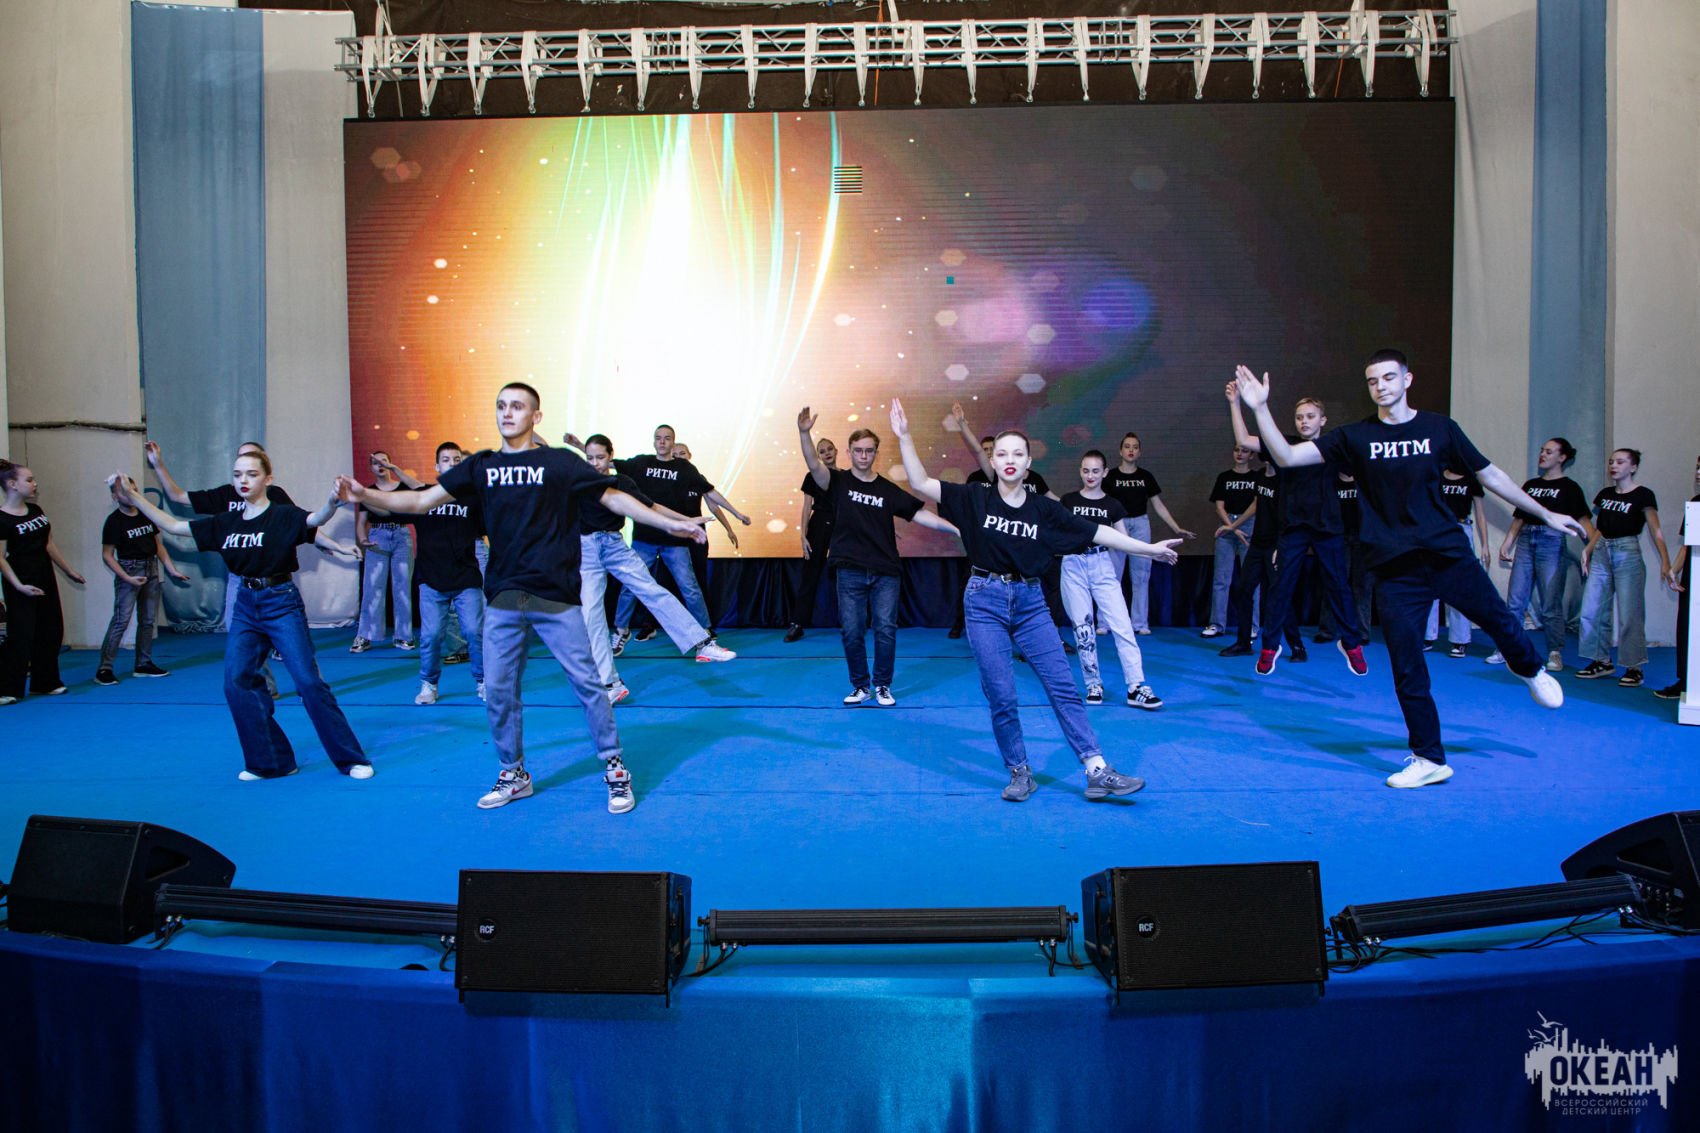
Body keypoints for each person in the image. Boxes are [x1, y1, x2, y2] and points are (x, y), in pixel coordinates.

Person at [337, 384, 709, 814]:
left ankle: (614, 768)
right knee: (498, 690)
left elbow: (613, 497)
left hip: (554, 596)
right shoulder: (483, 465)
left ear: (536, 416)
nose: (507, 413)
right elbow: (421, 499)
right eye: (501, 406)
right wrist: (366, 495)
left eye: (517, 406)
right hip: (503, 597)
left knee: (588, 685)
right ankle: (514, 774)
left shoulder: (558, 462)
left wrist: (670, 524)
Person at [1234, 352, 1580, 789]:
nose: (1380, 386)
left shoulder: (1440, 429)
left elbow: (1491, 476)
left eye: (1388, 377)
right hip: (1395, 569)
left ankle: (1530, 668)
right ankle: (1429, 758)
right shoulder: (1355, 437)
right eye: (1372, 380)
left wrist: (1545, 514)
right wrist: (1260, 407)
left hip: (1447, 555)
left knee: (1500, 620)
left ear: (1407, 380)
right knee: (1406, 666)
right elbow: (1285, 456)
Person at [890, 398, 1180, 802]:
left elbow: (1098, 532)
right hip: (984, 601)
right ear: (993, 461)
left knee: (1062, 686)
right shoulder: (974, 497)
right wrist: (904, 436)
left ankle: (1096, 769)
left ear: (1028, 463)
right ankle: (1020, 771)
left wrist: (1148, 549)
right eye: (1002, 454)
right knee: (1001, 693)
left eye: (1017, 454)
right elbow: (921, 483)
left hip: (1030, 603)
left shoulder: (1044, 509)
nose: (1009, 460)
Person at [111, 455, 372, 780]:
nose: (243, 480)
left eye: (251, 473)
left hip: (281, 602)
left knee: (307, 681)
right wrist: (133, 496)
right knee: (236, 682)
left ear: (267, 479)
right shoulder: (225, 522)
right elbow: (173, 525)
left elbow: (315, 519)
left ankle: (350, 759)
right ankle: (272, 762)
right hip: (246, 606)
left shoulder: (282, 515)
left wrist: (332, 500)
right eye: (237, 474)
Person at [800, 409, 957, 706]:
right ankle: (861, 686)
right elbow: (813, 463)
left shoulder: (887, 490)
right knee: (852, 631)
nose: (863, 455)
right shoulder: (837, 482)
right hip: (849, 570)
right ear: (849, 452)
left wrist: (958, 530)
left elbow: (921, 515)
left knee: (885, 630)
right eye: (858, 450)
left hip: (885, 572)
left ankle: (883, 685)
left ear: (876, 453)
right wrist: (804, 433)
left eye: (869, 450)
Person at [572, 433, 735, 705]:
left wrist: (686, 521)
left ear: (610, 457)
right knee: (590, 616)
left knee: (652, 590)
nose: (595, 463)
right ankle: (610, 684)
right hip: (586, 549)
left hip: (614, 546)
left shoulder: (622, 483)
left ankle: (703, 644)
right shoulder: (577, 482)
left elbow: (652, 507)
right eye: (590, 458)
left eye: (600, 457)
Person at [1229, 388, 1369, 677]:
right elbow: (1244, 440)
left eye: (1310, 416)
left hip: (1327, 528)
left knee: (1338, 585)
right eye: (1299, 417)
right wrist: (1234, 403)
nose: (1304, 421)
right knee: (1281, 587)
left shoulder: (1333, 447)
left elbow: (1357, 469)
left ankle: (1351, 644)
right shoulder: (1285, 446)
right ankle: (1270, 646)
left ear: (1322, 420)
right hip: (1293, 528)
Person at [610, 425, 748, 652]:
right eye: (658, 438)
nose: (662, 442)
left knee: (690, 587)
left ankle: (705, 631)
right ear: (654, 441)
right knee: (630, 585)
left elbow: (710, 492)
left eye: (667, 438)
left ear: (673, 442)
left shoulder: (684, 468)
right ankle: (621, 630)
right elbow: (607, 463)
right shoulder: (641, 463)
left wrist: (736, 514)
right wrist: (579, 447)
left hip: (675, 541)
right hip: (644, 538)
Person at [1059, 450, 1163, 709]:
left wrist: (1153, 551)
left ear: (1105, 472)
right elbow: (1056, 532)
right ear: (1080, 471)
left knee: (1122, 625)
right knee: (1083, 629)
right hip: (1073, 565)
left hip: (1102, 564)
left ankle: (1136, 686)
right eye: (1086, 470)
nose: (1090, 475)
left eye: (1096, 471)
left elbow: (1124, 540)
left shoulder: (1113, 505)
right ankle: (1093, 684)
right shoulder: (1068, 501)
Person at [1490, 437, 1594, 671]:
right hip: (1526, 540)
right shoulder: (1531, 485)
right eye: (1542, 450)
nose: (1543, 454)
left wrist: (1592, 547)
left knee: (1550, 603)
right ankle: (1508, 649)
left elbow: (1584, 522)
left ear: (1562, 457)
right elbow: (1520, 517)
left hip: (1551, 542)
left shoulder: (1570, 488)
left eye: (1549, 451)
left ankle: (1555, 652)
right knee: (1515, 600)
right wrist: (1508, 542)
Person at [1576, 448, 1672, 687]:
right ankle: (1601, 660)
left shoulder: (1643, 495)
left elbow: (1655, 529)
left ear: (1633, 467)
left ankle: (1634, 666)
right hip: (1602, 552)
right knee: (1592, 609)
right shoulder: (1605, 494)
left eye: (1620, 462)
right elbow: (1601, 527)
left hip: (1627, 552)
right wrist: (1588, 550)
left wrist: (1666, 561)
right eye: (1611, 462)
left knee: (1630, 613)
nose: (1614, 466)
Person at [0, 461, 86, 704]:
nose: (35, 484)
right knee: (21, 635)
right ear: (12, 484)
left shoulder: (36, 510)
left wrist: (69, 570)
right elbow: (1, 558)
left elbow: (48, 544)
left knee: (50, 630)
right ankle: (8, 688)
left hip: (44, 577)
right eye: (29, 480)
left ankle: (45, 682)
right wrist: (18, 586)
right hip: (20, 581)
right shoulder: (2, 519)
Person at [409, 442, 486, 706]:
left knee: (474, 632)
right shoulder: (424, 496)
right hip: (431, 581)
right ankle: (429, 684)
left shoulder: (474, 500)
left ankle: (483, 681)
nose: (451, 464)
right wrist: (362, 496)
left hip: (466, 579)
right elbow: (388, 506)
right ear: (437, 466)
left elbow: (496, 523)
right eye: (446, 460)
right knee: (430, 636)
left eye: (456, 460)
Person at [94, 479, 190, 686]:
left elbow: (158, 546)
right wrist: (126, 577)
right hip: (129, 570)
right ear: (115, 496)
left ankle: (143, 664)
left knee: (147, 620)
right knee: (121, 620)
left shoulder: (146, 515)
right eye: (123, 491)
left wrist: (171, 569)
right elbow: (107, 555)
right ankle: (104, 668)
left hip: (150, 569)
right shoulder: (114, 521)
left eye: (133, 489)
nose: (130, 494)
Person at [1216, 451, 1304, 661]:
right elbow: (1255, 505)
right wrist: (1232, 527)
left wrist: (1281, 546)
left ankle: (1297, 646)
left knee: (1279, 595)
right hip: (1257, 544)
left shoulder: (1285, 480)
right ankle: (1243, 642)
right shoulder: (1260, 477)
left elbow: (1291, 515)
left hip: (1276, 546)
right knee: (1244, 591)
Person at [1103, 432, 1194, 634]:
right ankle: (1105, 622)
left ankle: (1140, 623)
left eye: (1135, 447)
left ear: (1140, 452)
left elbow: (1158, 505)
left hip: (1141, 524)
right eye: (1127, 446)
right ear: (1120, 451)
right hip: (1117, 525)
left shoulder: (1145, 477)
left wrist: (1176, 528)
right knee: (1111, 576)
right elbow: (1102, 503)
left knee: (1141, 575)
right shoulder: (1110, 477)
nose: (1131, 450)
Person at [350, 451, 422, 653]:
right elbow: (361, 522)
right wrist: (363, 540)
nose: (380, 465)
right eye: (375, 463)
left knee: (403, 587)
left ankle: (403, 636)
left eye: (383, 461)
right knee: (372, 587)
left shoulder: (402, 487)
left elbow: (420, 489)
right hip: (377, 537)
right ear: (371, 468)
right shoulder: (369, 492)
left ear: (390, 463)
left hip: (401, 536)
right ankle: (365, 636)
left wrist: (396, 470)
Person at [1424, 467, 1490, 658]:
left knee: (1460, 586)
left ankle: (1460, 640)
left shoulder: (1471, 480)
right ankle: (1427, 636)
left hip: (1461, 529)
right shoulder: (1436, 477)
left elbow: (1480, 514)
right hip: (1436, 531)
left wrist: (1485, 545)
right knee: (1430, 584)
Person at [784, 434, 839, 642]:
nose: (827, 453)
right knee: (809, 576)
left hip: (841, 526)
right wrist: (802, 535)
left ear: (836, 451)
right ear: (818, 456)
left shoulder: (846, 476)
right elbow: (807, 506)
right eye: (822, 451)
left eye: (829, 449)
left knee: (846, 575)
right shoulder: (812, 476)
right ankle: (797, 624)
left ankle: (854, 622)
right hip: (818, 525)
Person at [1202, 444, 1260, 638]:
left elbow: (1256, 505)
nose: (1240, 454)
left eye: (1245, 451)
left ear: (1251, 455)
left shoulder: (1256, 478)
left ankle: (1251, 626)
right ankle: (1217, 624)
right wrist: (1231, 528)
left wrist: (1236, 526)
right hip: (1226, 527)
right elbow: (1219, 506)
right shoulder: (1224, 477)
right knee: (1221, 579)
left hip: (1248, 525)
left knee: (1251, 580)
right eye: (1236, 450)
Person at [1655, 453, 1699, 701]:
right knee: (1687, 629)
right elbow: (1687, 545)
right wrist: (1674, 571)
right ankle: (1686, 682)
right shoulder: (1696, 503)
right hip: (1694, 578)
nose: (1698, 473)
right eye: (1698, 468)